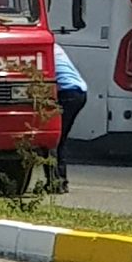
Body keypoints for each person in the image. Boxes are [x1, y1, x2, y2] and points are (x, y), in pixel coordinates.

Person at [47, 43, 87, 193]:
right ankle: (60, 181)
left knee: (53, 140)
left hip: (67, 93)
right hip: (79, 92)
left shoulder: (42, 50)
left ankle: (56, 182)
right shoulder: (55, 47)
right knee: (60, 139)